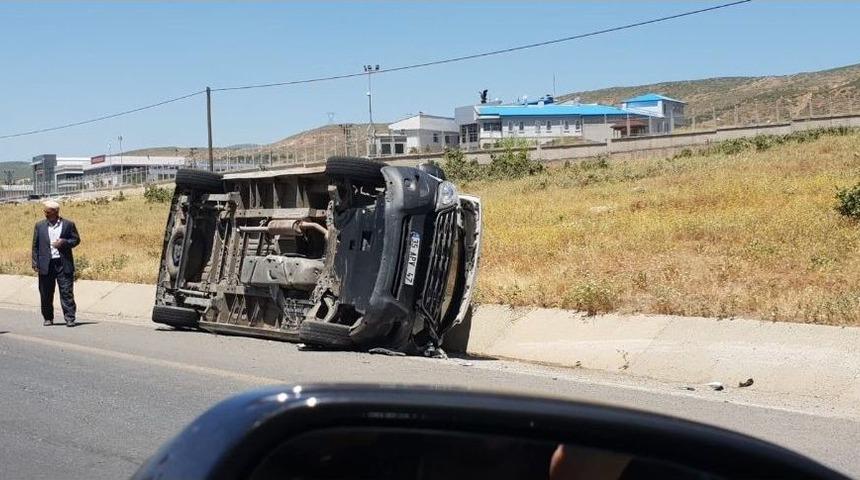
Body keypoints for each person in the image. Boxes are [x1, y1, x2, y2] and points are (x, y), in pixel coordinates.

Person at [31, 200, 81, 327]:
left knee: (66, 292)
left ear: (56, 212)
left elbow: (76, 240)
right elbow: (35, 246)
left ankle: (70, 318)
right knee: (46, 293)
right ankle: (48, 317)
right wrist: (35, 262)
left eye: (48, 211)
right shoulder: (39, 225)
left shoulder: (68, 224)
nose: (45, 214)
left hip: (63, 263)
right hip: (46, 264)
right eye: (45, 211)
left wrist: (64, 242)